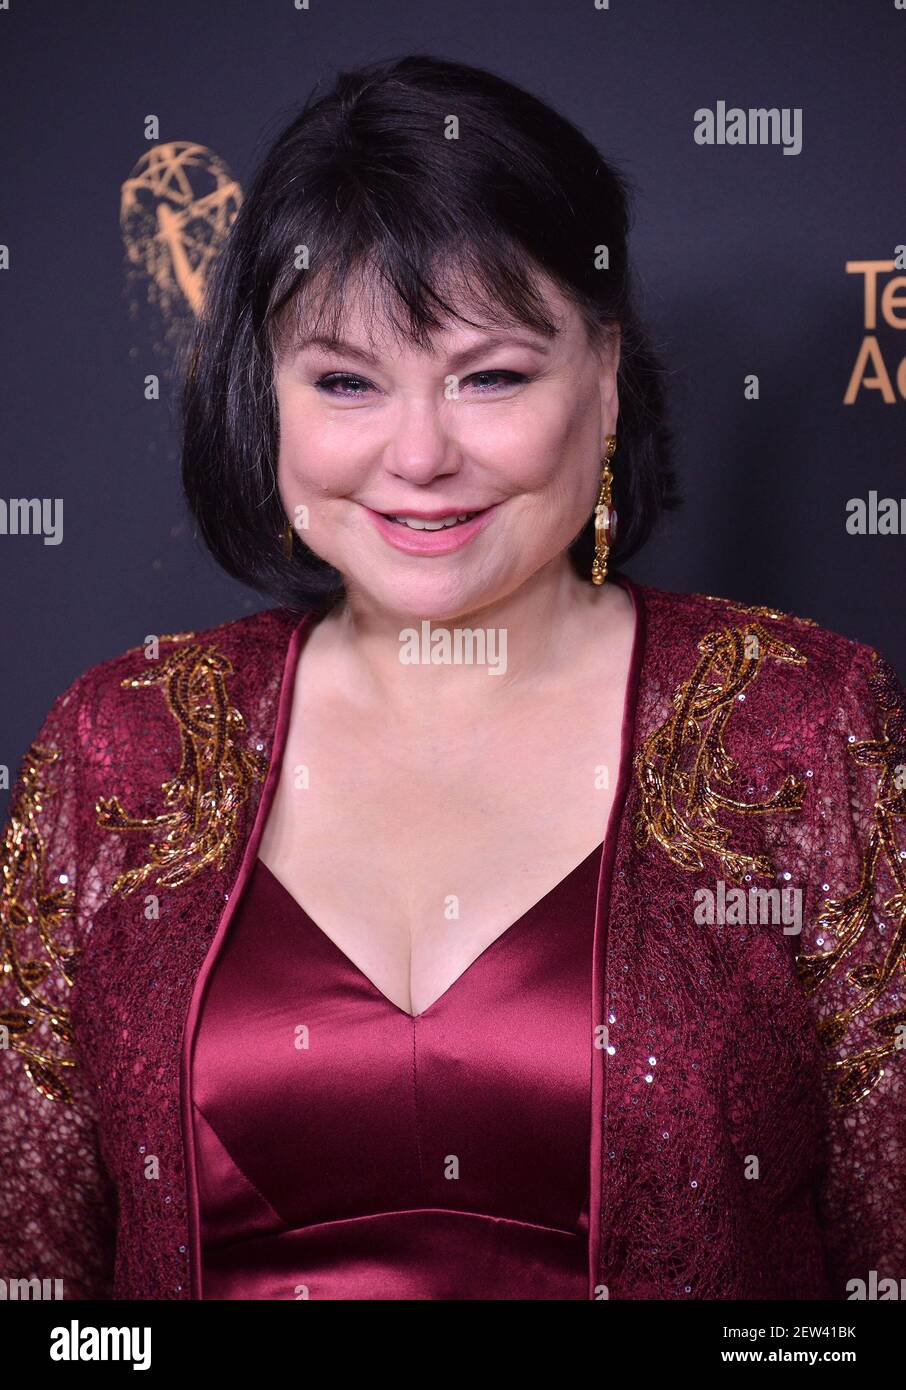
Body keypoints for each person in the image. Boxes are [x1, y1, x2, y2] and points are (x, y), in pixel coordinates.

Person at [1, 53, 904, 1302]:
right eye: (345, 382)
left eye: (489, 376)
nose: (420, 453)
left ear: (604, 378)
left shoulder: (805, 727)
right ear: (264, 402)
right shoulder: (119, 748)